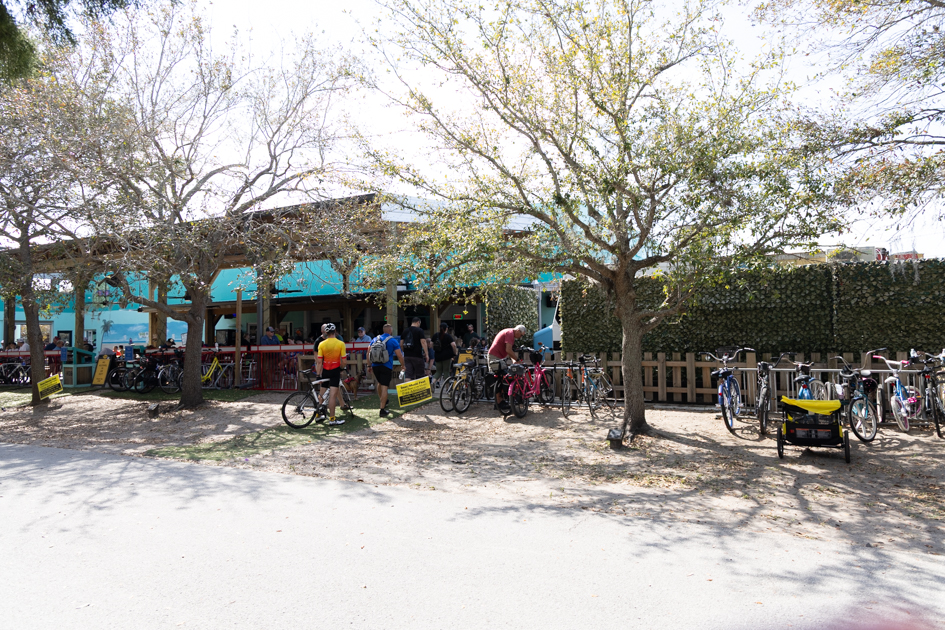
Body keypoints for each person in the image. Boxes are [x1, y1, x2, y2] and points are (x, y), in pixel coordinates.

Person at [368, 323, 405, 417]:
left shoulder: (375, 339)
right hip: (386, 365)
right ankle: (382, 410)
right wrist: (403, 365)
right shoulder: (392, 340)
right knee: (385, 387)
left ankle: (383, 401)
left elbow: (368, 352)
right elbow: (399, 355)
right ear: (390, 331)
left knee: (379, 383)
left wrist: (369, 365)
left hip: (375, 365)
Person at [315, 323, 347, 426]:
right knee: (332, 396)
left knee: (322, 394)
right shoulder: (340, 343)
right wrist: (341, 368)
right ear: (335, 331)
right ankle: (332, 419)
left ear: (326, 332)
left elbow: (319, 362)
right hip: (335, 370)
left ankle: (318, 415)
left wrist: (318, 374)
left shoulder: (321, 344)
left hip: (325, 370)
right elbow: (344, 361)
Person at [488, 324, 526, 410]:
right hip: (495, 356)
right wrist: (517, 359)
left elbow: (509, 352)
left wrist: (515, 362)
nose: (520, 337)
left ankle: (500, 401)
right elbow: (508, 350)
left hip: (499, 356)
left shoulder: (509, 333)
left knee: (502, 378)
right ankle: (498, 402)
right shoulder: (510, 334)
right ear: (518, 331)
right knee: (497, 378)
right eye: (521, 335)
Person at [400, 317, 427, 381]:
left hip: (407, 356)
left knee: (408, 375)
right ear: (418, 322)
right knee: (420, 375)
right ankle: (419, 390)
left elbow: (401, 344)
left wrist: (405, 351)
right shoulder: (420, 330)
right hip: (417, 356)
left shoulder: (405, 331)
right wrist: (426, 353)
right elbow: (423, 342)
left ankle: (408, 390)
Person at [433, 322, 458, 389]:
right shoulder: (448, 336)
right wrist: (454, 353)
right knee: (446, 371)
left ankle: (433, 382)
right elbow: (454, 345)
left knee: (438, 371)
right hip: (446, 356)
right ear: (446, 328)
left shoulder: (435, 335)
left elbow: (431, 344)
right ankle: (447, 388)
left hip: (437, 355)